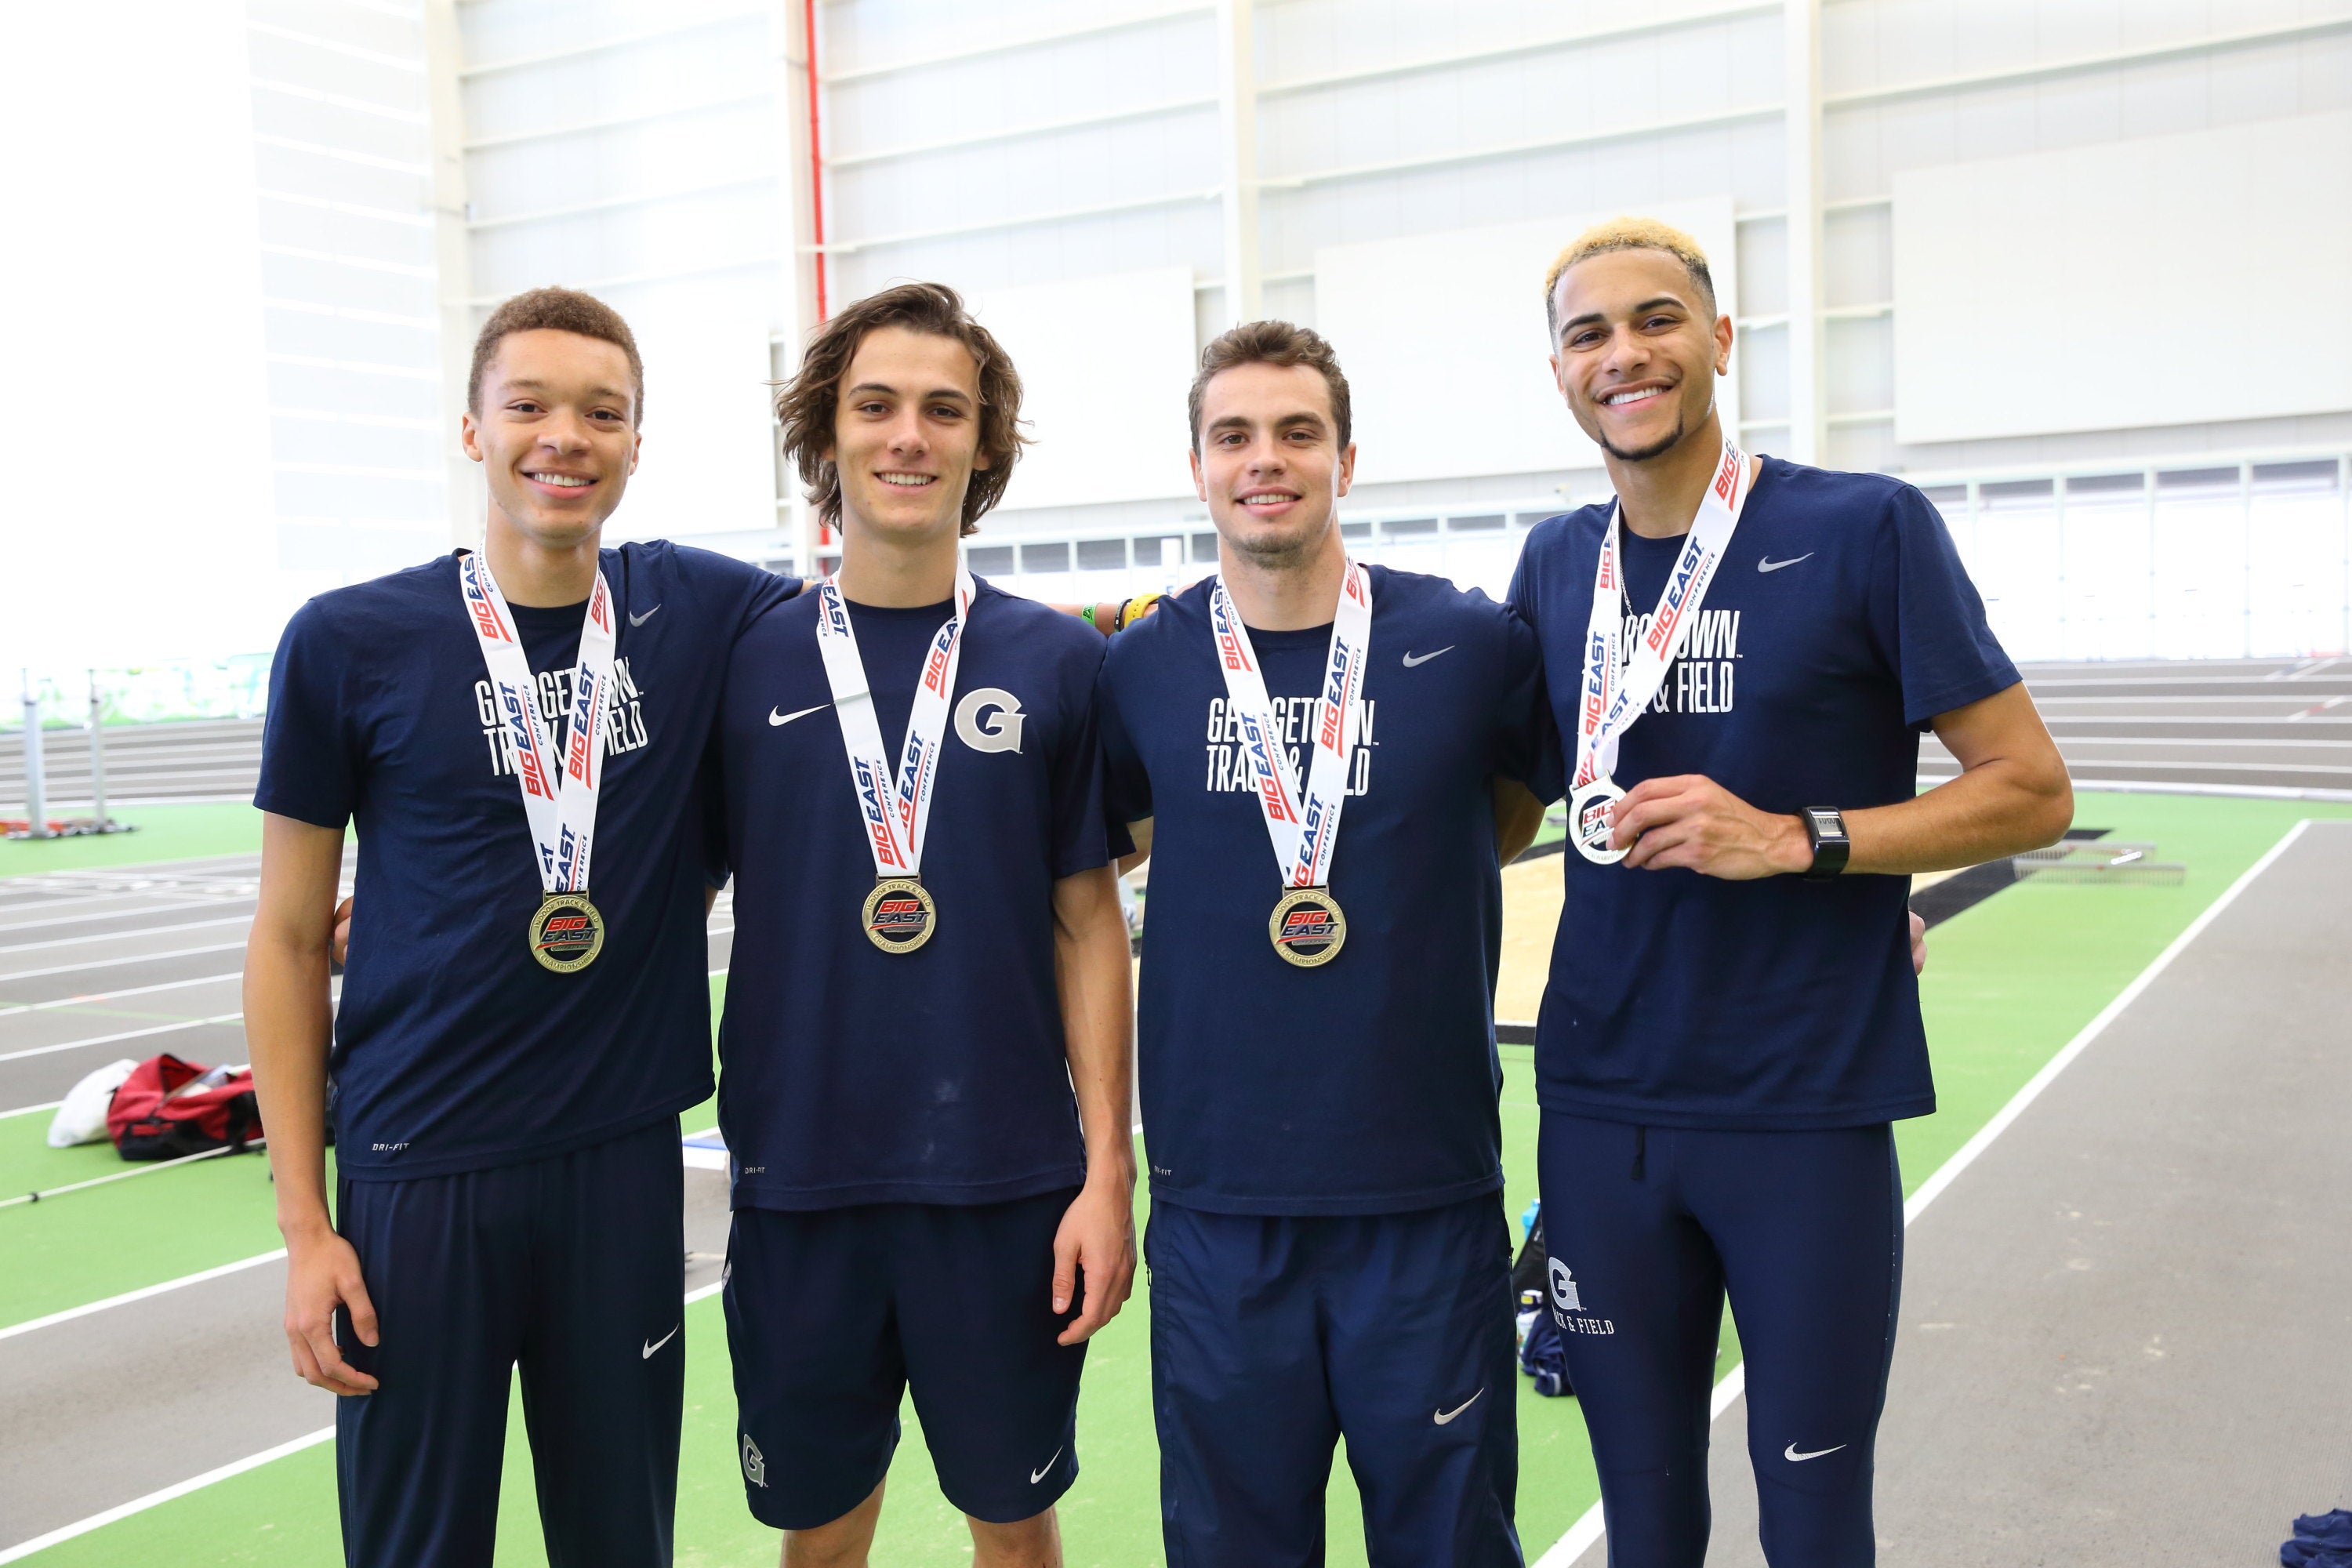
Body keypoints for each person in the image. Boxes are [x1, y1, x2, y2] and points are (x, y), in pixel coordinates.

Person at [1506, 217, 2072, 1566]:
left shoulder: (1862, 526)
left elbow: (2030, 788)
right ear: (1560, 369)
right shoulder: (1551, 563)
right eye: (1589, 333)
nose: (1625, 354)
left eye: (1657, 321)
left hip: (1800, 1111)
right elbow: (1490, 800)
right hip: (1600, 1110)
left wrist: (1802, 839)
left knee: (1814, 1515)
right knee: (1644, 1518)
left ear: (1717, 342)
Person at [244, 288, 801, 1566]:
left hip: (617, 1161)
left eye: (602, 412)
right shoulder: (348, 642)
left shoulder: (699, 610)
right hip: (418, 1164)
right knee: (417, 1546)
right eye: (531, 406)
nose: (566, 437)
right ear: (472, 430)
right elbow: (284, 941)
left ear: (636, 445)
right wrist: (304, 1228)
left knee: (621, 1541)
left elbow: (872, 632)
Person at [1096, 321, 1551, 1566]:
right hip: (1219, 1209)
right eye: (1234, 435)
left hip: (1425, 1198)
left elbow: (1542, 811)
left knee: (1450, 1545)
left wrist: (1843, 900)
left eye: (1298, 433)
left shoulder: (1465, 645)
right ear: (1197, 465)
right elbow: (1101, 868)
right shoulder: (1141, 666)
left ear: (1347, 457)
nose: (1267, 459)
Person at [710, 281, 1135, 1568]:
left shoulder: (1056, 661)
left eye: (943, 410)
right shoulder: (746, 658)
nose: (909, 435)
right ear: (824, 437)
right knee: (820, 1534)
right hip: (801, 1181)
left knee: (1014, 1526)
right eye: (876, 406)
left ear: (983, 445)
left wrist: (1108, 1170)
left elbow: (1088, 924)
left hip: (1004, 1183)